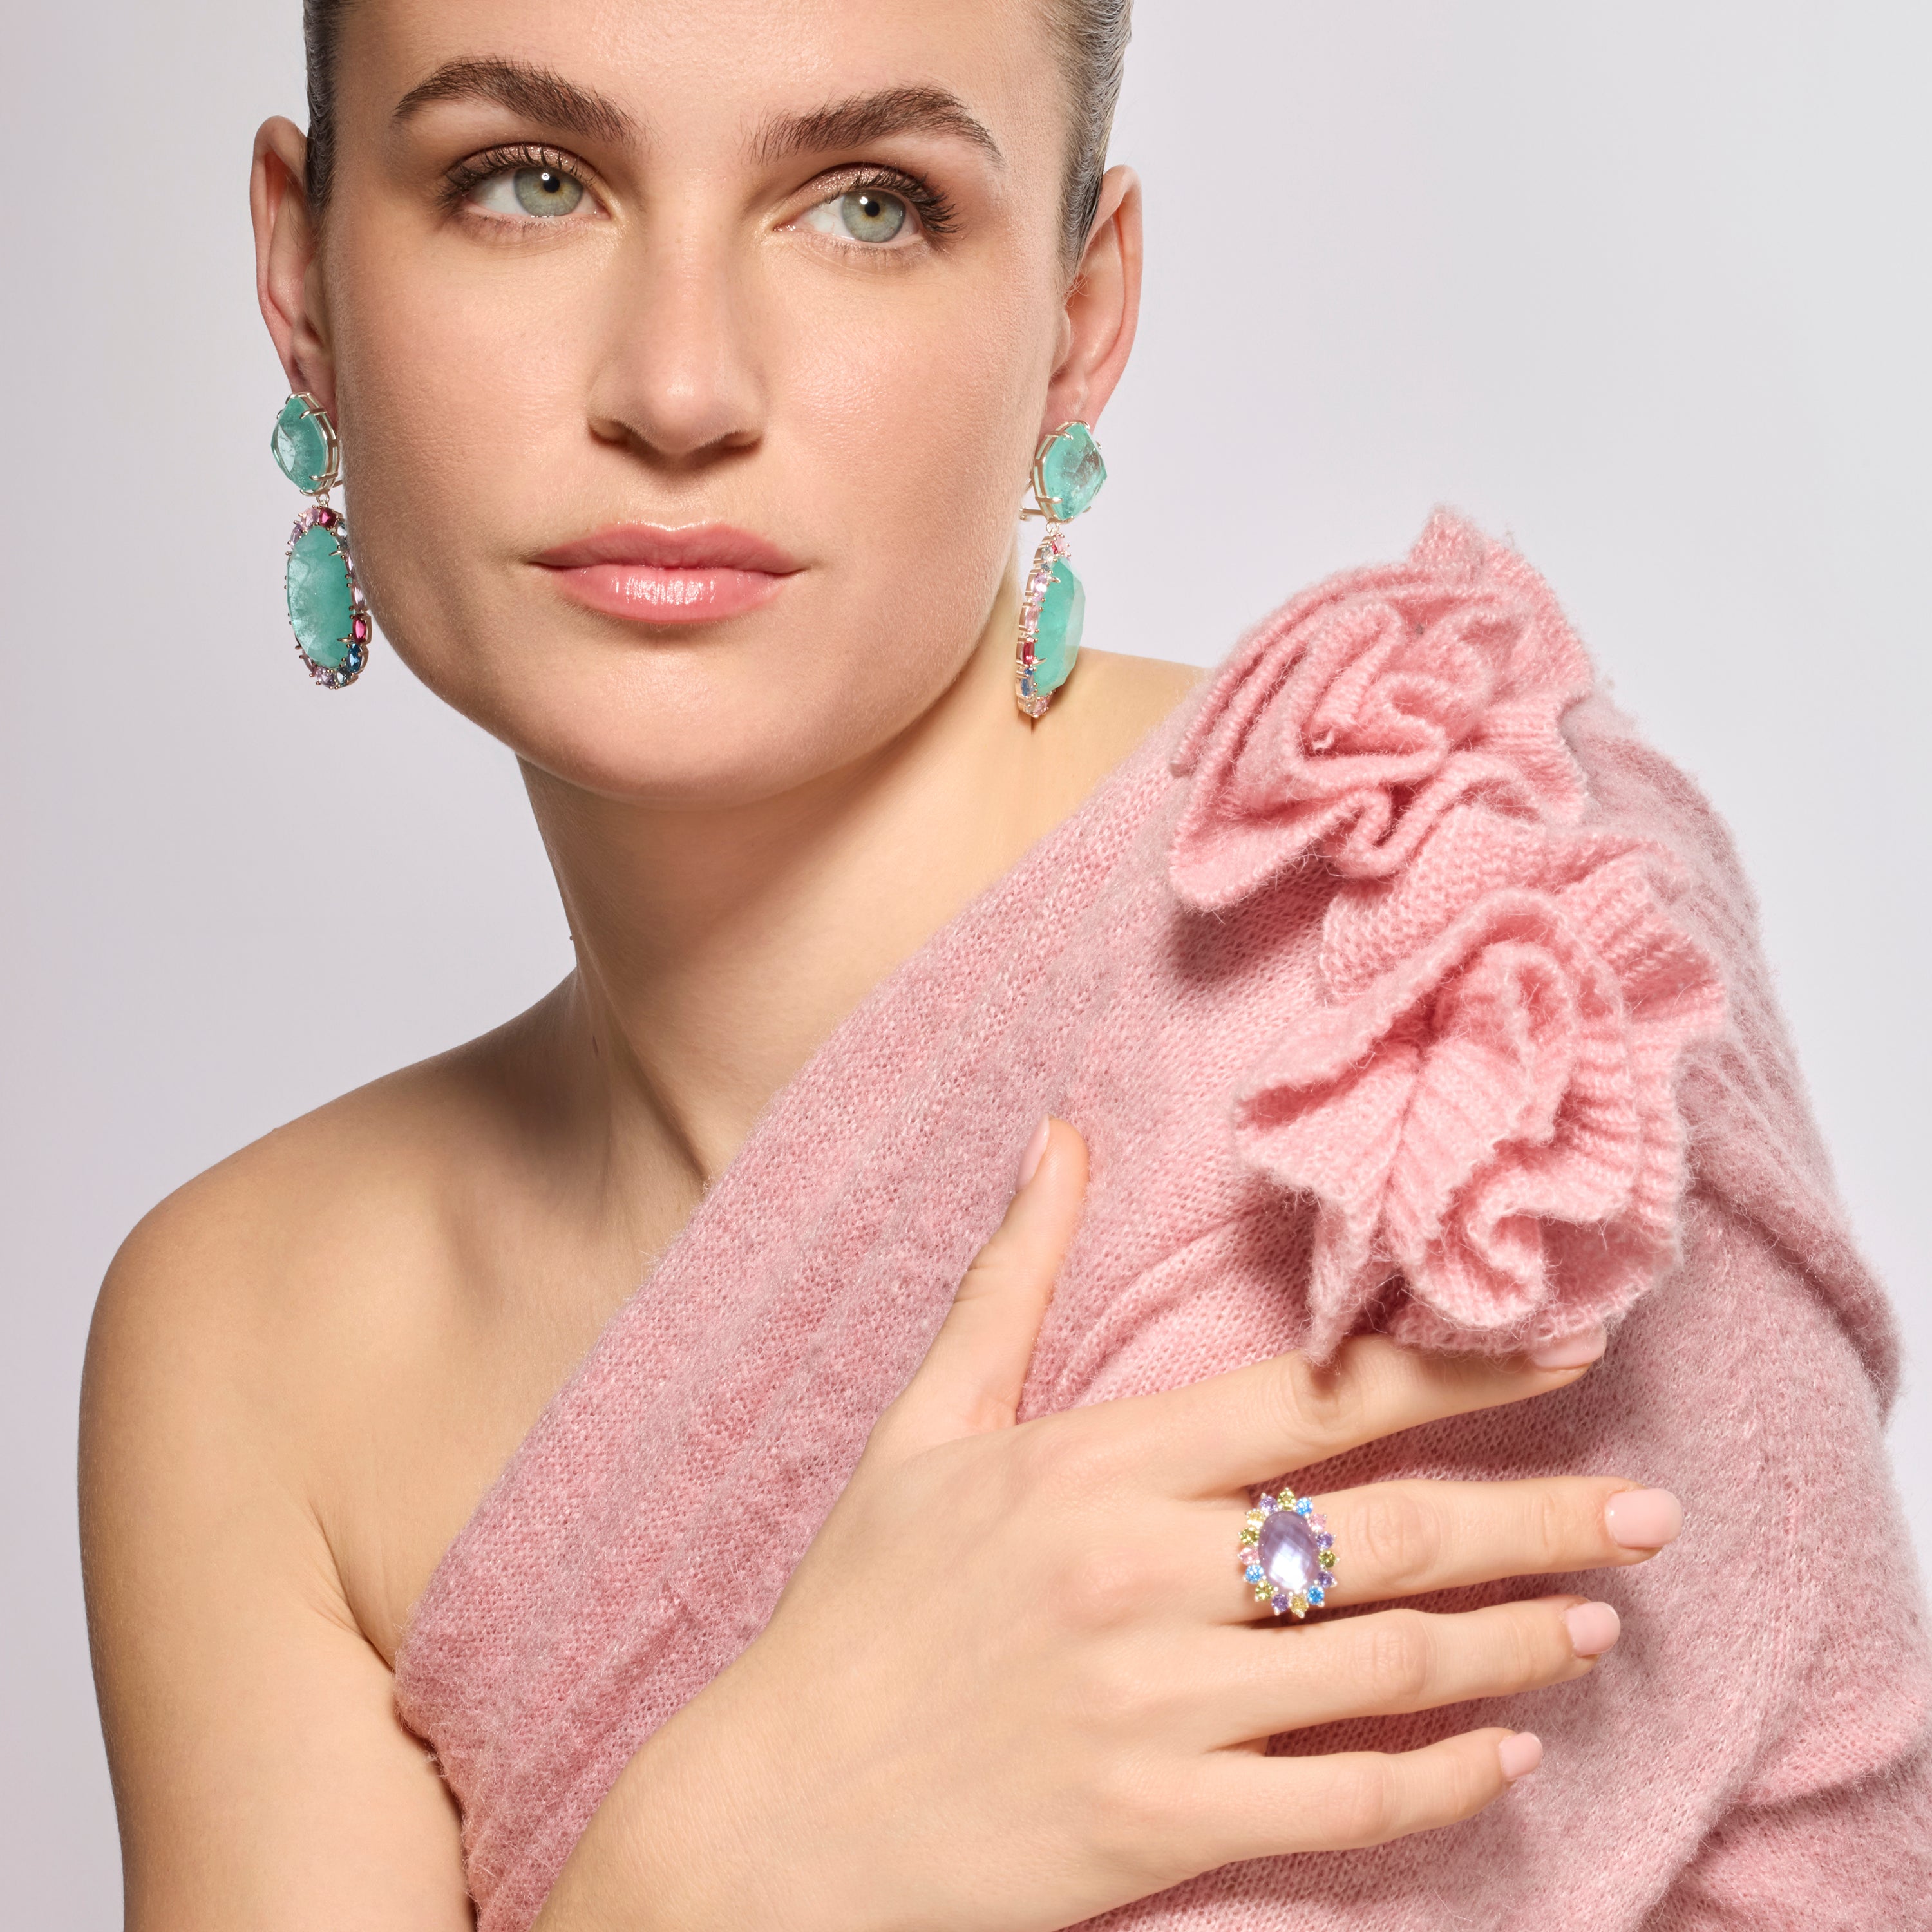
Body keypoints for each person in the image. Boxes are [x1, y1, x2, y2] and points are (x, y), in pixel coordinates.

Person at [79, 2, 1931, 1927]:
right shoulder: (259, 1343)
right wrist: (737, 1863)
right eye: (526, 183)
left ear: (1079, 314)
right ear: (302, 275)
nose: (679, 385)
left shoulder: (1436, 969)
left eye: (868, 205)